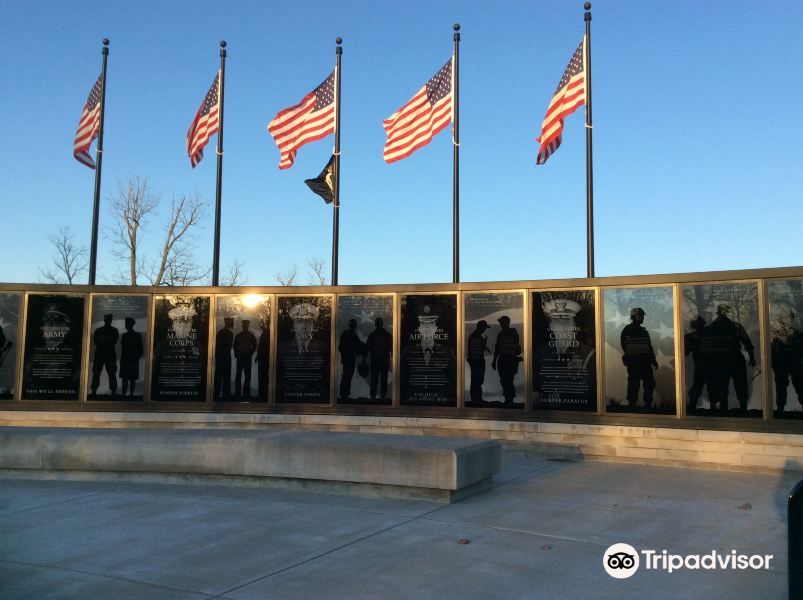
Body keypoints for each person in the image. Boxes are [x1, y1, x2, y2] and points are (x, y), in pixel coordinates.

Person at [704, 304, 756, 414]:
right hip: (730, 360)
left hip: (726, 361)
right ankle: (739, 409)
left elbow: (747, 342)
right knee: (731, 386)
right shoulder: (734, 327)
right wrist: (752, 357)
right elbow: (747, 342)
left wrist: (752, 357)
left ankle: (733, 409)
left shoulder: (712, 328)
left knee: (728, 386)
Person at [620, 308, 658, 409]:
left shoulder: (641, 331)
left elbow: (649, 347)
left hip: (642, 362)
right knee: (634, 383)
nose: (643, 318)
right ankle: (635, 404)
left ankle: (646, 405)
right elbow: (625, 346)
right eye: (641, 316)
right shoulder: (629, 330)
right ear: (636, 316)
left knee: (647, 383)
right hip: (636, 363)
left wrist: (653, 360)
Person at [771, 310, 803, 414]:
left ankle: (780, 409)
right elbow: (771, 351)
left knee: (799, 386)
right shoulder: (776, 336)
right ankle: (780, 409)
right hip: (783, 364)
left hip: (793, 364)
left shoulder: (797, 334)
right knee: (781, 387)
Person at [493, 315, 522, 406]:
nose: (500, 324)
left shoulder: (512, 332)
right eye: (500, 322)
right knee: (504, 380)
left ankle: (509, 400)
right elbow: (497, 349)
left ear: (506, 323)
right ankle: (508, 399)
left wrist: (494, 360)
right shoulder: (501, 334)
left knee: (508, 380)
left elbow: (516, 347)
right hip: (503, 360)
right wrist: (494, 361)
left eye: (502, 322)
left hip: (509, 360)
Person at [90, 314, 119, 397]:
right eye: (109, 319)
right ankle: (112, 391)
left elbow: (97, 342)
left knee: (98, 373)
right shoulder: (114, 330)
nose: (109, 321)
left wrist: (103, 341)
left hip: (101, 354)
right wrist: (107, 341)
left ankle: (94, 391)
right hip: (109, 355)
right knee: (110, 373)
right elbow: (113, 340)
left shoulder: (98, 330)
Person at [685, 316, 708, 413]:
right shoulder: (691, 337)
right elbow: (685, 352)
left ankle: (692, 405)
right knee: (697, 386)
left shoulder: (706, 336)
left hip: (703, 365)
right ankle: (692, 405)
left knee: (701, 385)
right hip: (697, 365)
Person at [366, 317, 392, 401]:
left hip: (376, 360)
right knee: (383, 379)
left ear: (375, 324)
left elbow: (368, 347)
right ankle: (382, 396)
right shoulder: (387, 335)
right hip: (383, 361)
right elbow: (392, 347)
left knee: (375, 379)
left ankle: (373, 396)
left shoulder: (372, 335)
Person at [338, 318, 365, 400]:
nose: (354, 326)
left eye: (354, 325)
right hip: (348, 359)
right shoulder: (348, 334)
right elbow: (341, 347)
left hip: (349, 359)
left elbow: (358, 346)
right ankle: (344, 394)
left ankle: (345, 393)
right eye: (353, 325)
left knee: (348, 376)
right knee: (347, 376)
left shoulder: (352, 334)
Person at [466, 320, 491, 403]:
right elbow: (477, 349)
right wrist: (484, 344)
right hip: (477, 361)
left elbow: (475, 348)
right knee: (477, 380)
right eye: (484, 328)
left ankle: (476, 398)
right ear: (480, 327)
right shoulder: (476, 336)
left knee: (476, 380)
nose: (484, 330)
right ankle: (476, 399)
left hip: (475, 361)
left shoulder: (475, 336)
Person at [119, 317, 143, 398]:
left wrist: (136, 358)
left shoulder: (131, 335)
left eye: (127, 323)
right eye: (126, 323)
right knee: (128, 379)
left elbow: (140, 349)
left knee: (129, 379)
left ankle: (127, 394)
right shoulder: (129, 335)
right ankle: (127, 394)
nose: (126, 325)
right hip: (129, 359)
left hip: (130, 359)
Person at [233, 320, 257, 398]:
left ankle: (239, 393)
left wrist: (237, 354)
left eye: (246, 325)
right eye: (245, 325)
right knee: (244, 376)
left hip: (243, 357)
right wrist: (250, 353)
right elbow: (235, 346)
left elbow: (254, 346)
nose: (245, 326)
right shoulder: (250, 335)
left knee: (242, 376)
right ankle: (244, 393)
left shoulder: (239, 335)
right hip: (245, 358)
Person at [214, 317, 234, 400]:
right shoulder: (228, 333)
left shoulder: (220, 333)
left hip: (220, 358)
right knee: (224, 376)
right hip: (224, 358)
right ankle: (224, 394)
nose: (233, 323)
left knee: (220, 376)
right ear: (228, 323)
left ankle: (218, 393)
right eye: (232, 322)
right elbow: (227, 347)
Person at [255, 318, 269, 399]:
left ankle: (262, 393)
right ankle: (263, 392)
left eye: (262, 324)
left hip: (263, 358)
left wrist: (259, 356)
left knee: (262, 375)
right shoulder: (265, 333)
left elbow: (262, 346)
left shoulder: (266, 333)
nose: (261, 325)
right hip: (263, 357)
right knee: (263, 375)